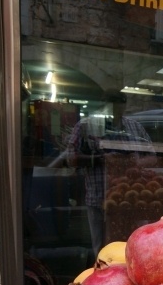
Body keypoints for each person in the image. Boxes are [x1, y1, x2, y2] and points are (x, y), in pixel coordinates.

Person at [66, 90, 154, 257]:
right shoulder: (85, 126)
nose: (115, 112)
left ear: (124, 107)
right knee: (102, 249)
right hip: (99, 198)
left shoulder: (135, 128)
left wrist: (135, 163)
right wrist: (100, 159)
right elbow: (71, 159)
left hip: (132, 199)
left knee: (136, 247)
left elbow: (153, 157)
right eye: (112, 108)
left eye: (119, 108)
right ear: (103, 106)